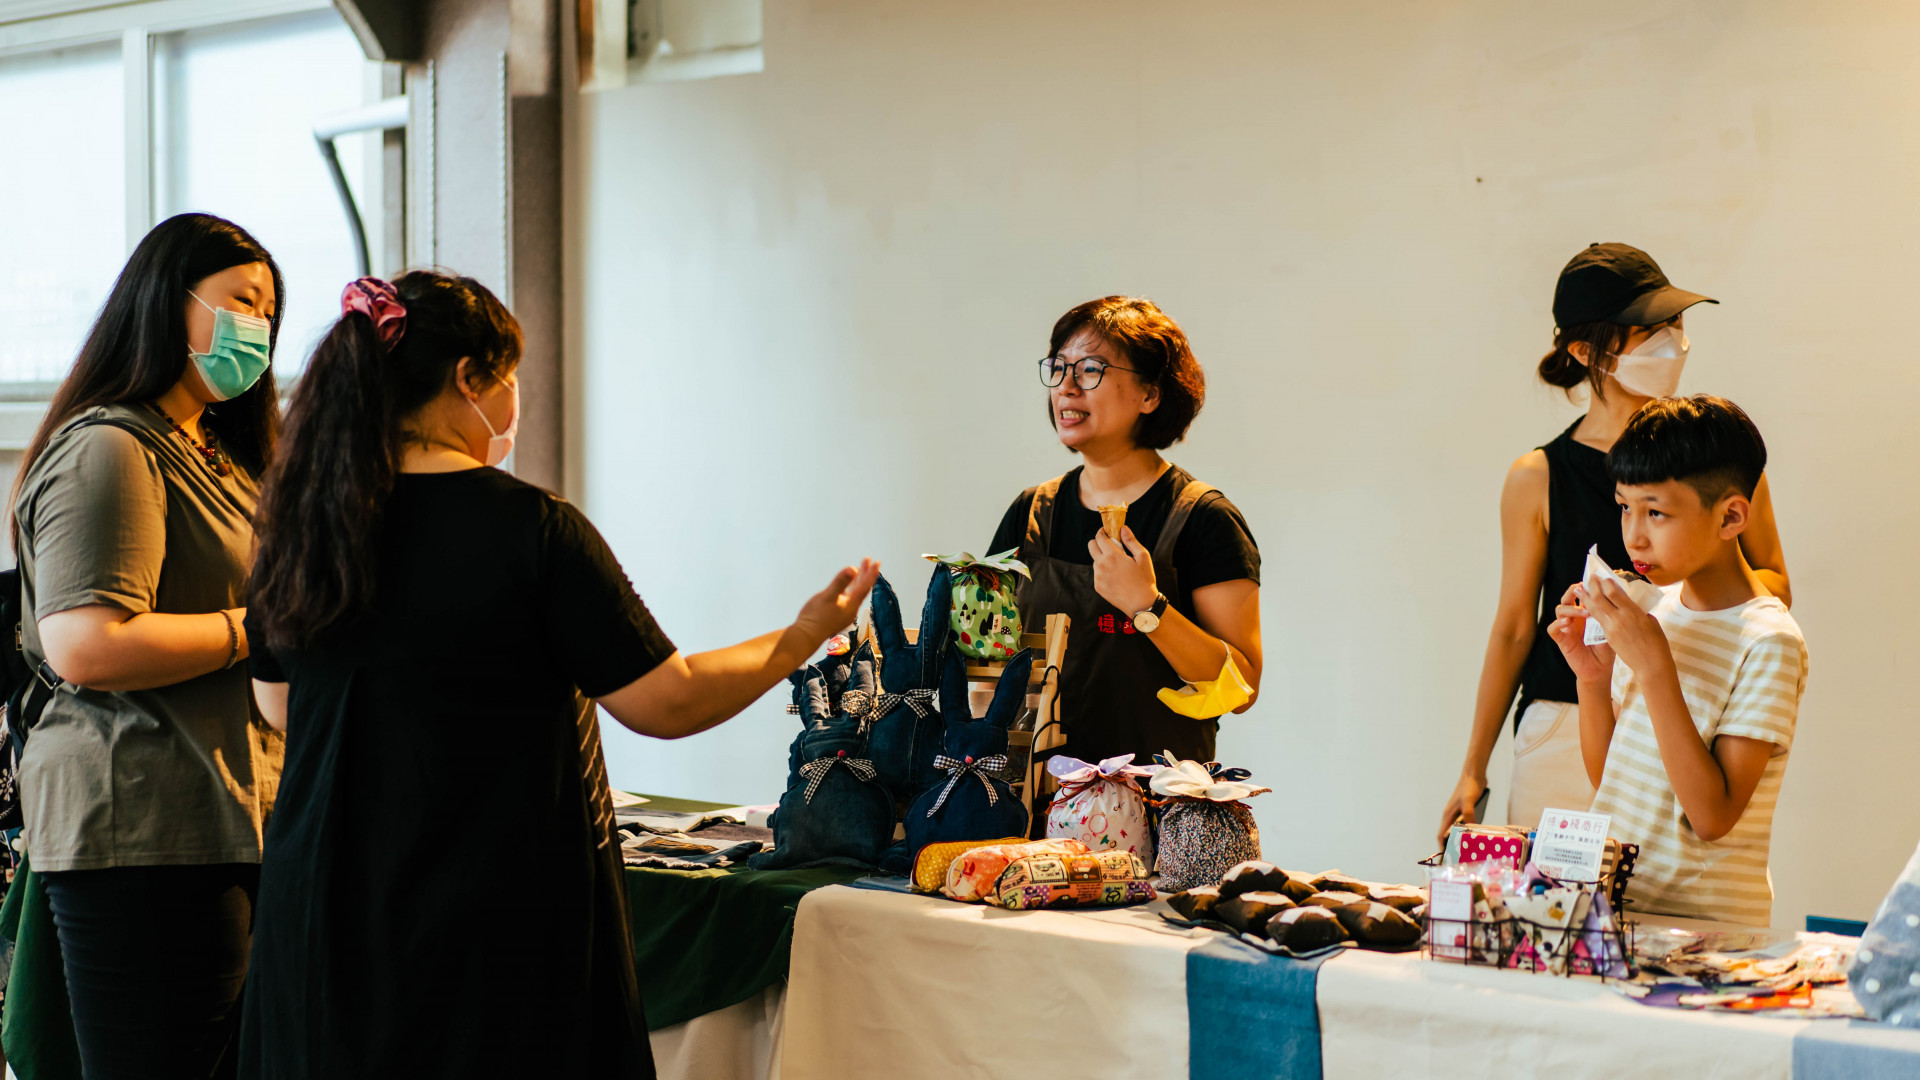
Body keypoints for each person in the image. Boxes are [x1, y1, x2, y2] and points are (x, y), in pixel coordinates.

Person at [238, 272, 878, 1078]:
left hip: (323, 911)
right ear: (469, 379)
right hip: (483, 916)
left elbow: (279, 706)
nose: (514, 403)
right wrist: (800, 637)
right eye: (510, 379)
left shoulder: (302, 522)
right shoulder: (531, 530)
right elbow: (667, 700)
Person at [7, 213, 285, 1078]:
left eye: (269, 311)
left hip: (223, 813)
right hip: (145, 821)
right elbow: (86, 644)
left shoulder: (214, 452)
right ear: (169, 300)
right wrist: (257, 630)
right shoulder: (112, 448)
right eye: (242, 301)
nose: (259, 327)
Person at [1437, 243, 1792, 845]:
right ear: (1584, 351)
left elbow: (1773, 584)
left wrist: (1664, 610)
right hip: (1566, 717)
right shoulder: (1538, 475)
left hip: (1685, 712)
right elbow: (1515, 628)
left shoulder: (1718, 455)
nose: (1669, 343)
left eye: (1672, 324)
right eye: (1645, 331)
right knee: (1549, 902)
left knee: (1667, 892)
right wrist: (1474, 767)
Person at [1550, 395, 1807, 927]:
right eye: (1625, 507)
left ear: (1730, 516)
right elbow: (1609, 782)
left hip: (1707, 931)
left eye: (1656, 512)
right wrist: (1593, 679)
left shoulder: (1769, 639)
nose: (1633, 535)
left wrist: (1654, 668)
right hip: (1617, 911)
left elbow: (1712, 816)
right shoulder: (1654, 610)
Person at [986, 296, 1261, 768]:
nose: (1066, 387)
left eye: (1090, 370)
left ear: (1150, 395)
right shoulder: (1030, 513)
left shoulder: (1203, 517)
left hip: (1153, 798)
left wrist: (1147, 606)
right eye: (1058, 368)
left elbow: (1242, 689)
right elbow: (987, 655)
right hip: (1034, 794)